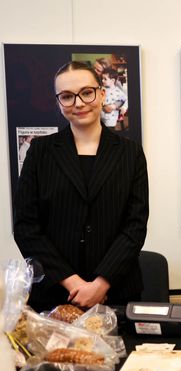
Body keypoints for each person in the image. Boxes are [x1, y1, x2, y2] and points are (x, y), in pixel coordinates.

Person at [13, 61, 149, 312]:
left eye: (87, 92)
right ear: (58, 102)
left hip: (116, 292)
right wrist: (73, 282)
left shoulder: (131, 153)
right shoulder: (40, 152)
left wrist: (101, 284)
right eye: (67, 96)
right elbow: (26, 227)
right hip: (55, 294)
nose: (78, 103)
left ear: (102, 94)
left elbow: (135, 225)